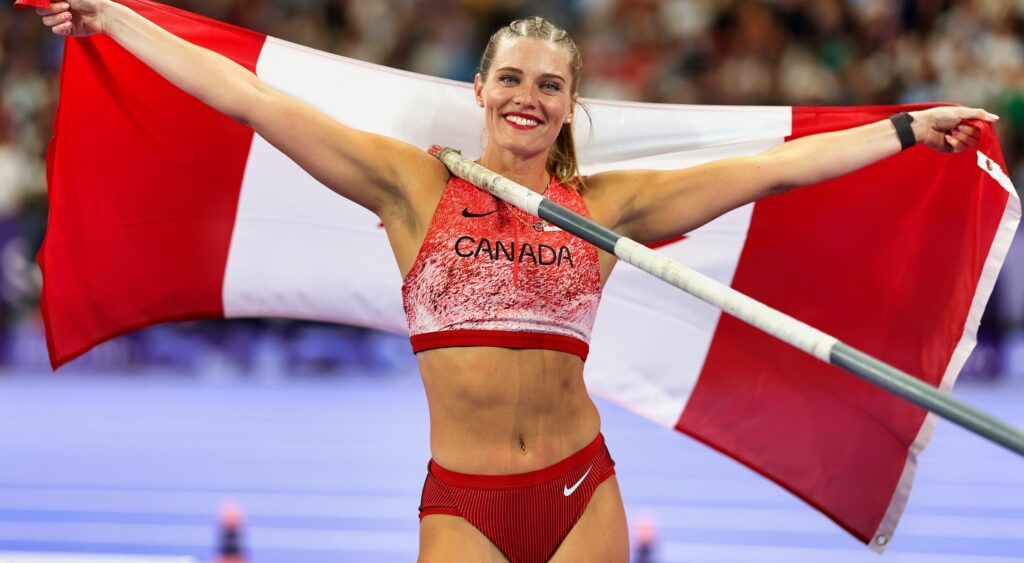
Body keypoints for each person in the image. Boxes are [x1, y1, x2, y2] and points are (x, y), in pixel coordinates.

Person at [35, 2, 996, 561]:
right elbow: (247, 97)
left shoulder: (604, 204)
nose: (527, 98)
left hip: (583, 486)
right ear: (481, 90)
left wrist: (907, 130)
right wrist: (119, 16)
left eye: (548, 84)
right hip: (464, 500)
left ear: (571, 104)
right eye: (511, 79)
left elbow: (770, 169)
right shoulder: (411, 186)